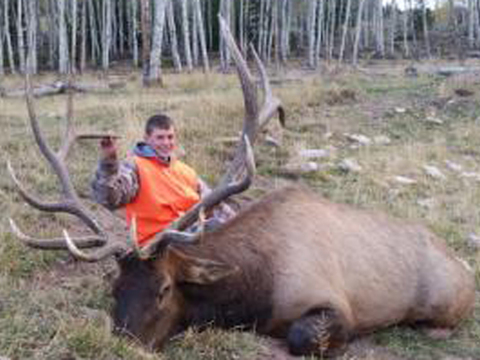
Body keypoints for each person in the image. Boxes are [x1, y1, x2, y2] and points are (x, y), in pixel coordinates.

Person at [91, 113, 234, 247]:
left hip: (190, 238)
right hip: (156, 246)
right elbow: (110, 199)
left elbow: (214, 203)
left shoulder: (185, 171)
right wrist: (108, 164)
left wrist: (239, 222)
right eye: (160, 137)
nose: (166, 143)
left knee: (225, 229)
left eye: (170, 137)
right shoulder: (134, 167)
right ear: (146, 139)